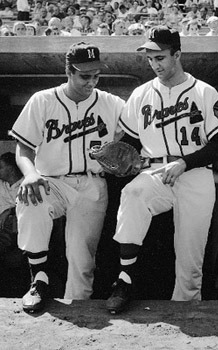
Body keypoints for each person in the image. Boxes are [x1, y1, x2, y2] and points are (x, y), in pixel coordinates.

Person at [106, 26, 218, 314]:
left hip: (195, 173)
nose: (155, 65)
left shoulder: (203, 91)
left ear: (177, 54)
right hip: (156, 171)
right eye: (150, 59)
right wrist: (116, 157)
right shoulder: (140, 94)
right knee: (134, 192)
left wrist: (185, 161)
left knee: (190, 263)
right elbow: (128, 140)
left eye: (160, 57)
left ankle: (188, 318)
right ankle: (125, 279)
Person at [9, 42, 125, 312]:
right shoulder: (43, 100)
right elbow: (23, 148)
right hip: (52, 181)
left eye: (96, 75)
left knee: (82, 261)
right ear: (69, 72)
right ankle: (38, 278)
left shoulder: (111, 103)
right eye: (85, 75)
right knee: (29, 198)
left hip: (92, 184)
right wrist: (29, 174)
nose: (92, 81)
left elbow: (140, 125)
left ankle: (80, 315)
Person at [0, 152, 23, 257]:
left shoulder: (26, 184)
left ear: (11, 169)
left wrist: (10, 211)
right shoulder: (1, 184)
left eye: (1, 167)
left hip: (14, 229)